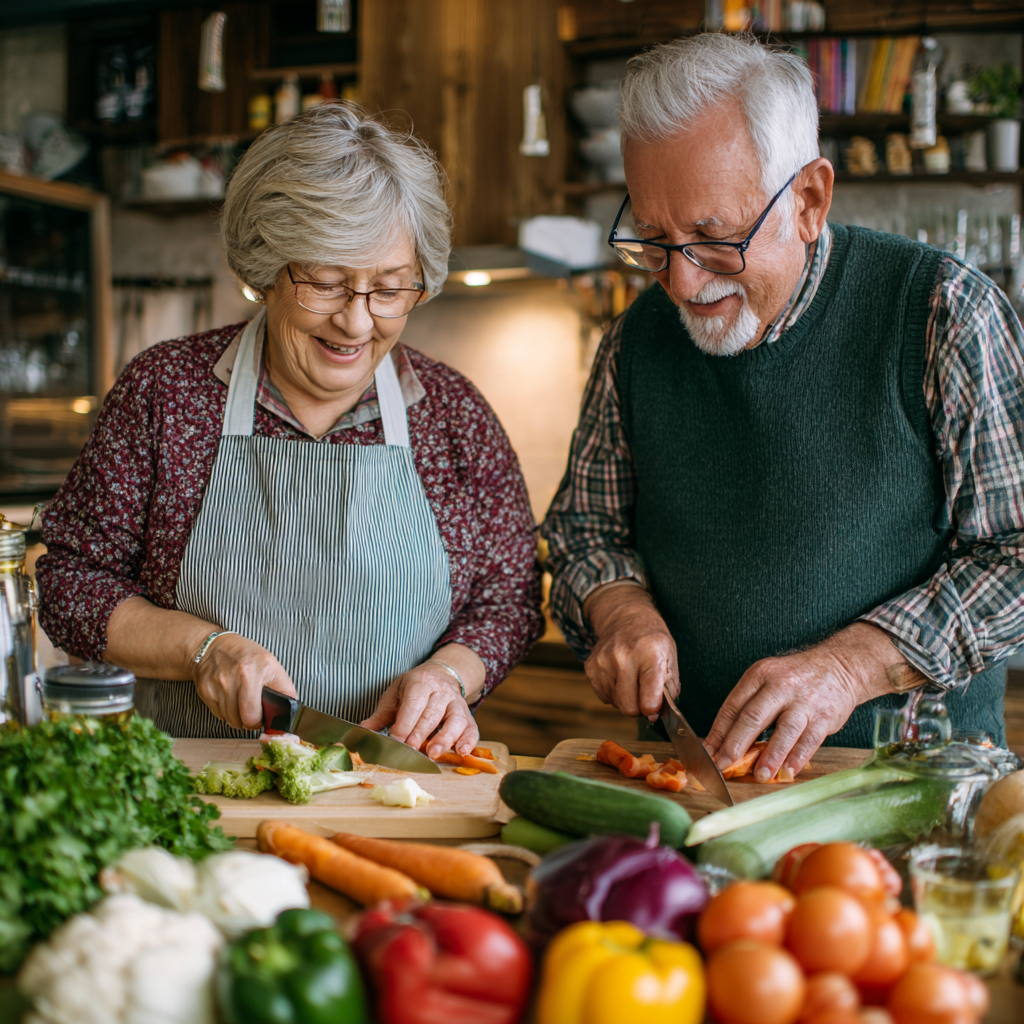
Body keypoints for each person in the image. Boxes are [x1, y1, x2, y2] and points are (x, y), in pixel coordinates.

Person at [542, 33, 1024, 782]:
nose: (681, 283)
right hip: (704, 790)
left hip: (918, 792)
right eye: (653, 239)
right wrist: (618, 608)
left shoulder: (942, 313)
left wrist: (854, 665)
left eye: (712, 236)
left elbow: (1017, 555)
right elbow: (583, 530)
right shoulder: (634, 343)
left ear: (808, 200)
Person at [38, 103, 543, 753]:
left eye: (390, 289)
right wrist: (202, 650)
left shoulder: (454, 417)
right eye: (328, 284)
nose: (358, 323)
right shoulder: (166, 393)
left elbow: (510, 601)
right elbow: (72, 582)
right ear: (265, 269)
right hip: (192, 792)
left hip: (396, 791)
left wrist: (450, 676)